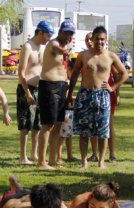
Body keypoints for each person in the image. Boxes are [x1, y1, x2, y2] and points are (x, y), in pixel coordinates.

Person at [67, 26, 128, 169]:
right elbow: (75, 74)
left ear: (106, 40)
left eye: (102, 39)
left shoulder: (111, 56)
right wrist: (70, 94)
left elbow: (124, 74)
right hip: (85, 94)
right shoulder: (83, 55)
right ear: (92, 39)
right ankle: (84, 161)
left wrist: (113, 88)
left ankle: (101, 161)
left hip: (103, 96)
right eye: (97, 39)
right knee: (84, 131)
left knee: (103, 130)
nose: (99, 42)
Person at [37, 19, 76, 169]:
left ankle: (53, 160)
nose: (68, 36)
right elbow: (59, 50)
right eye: (66, 32)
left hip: (62, 86)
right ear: (60, 32)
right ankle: (41, 161)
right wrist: (68, 53)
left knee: (58, 125)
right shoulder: (53, 44)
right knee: (47, 124)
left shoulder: (68, 46)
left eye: (71, 33)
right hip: (49, 86)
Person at [17, 21, 53, 165]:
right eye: (47, 36)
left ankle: (34, 154)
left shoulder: (42, 48)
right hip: (27, 89)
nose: (48, 39)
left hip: (40, 89)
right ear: (40, 33)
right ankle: (23, 156)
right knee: (25, 124)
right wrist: (27, 93)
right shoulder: (27, 47)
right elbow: (21, 72)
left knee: (37, 124)